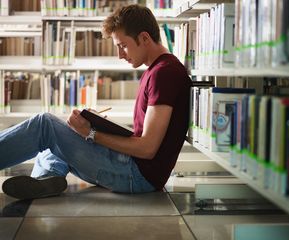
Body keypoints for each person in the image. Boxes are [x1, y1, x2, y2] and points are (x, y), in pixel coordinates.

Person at [0, 4, 192, 200]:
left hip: (136, 176)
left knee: (44, 124)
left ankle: (48, 174)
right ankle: (47, 178)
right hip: (133, 168)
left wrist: (91, 133)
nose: (120, 55)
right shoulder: (156, 70)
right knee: (58, 138)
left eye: (123, 45)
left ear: (144, 38)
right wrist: (96, 126)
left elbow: (147, 148)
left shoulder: (165, 73)